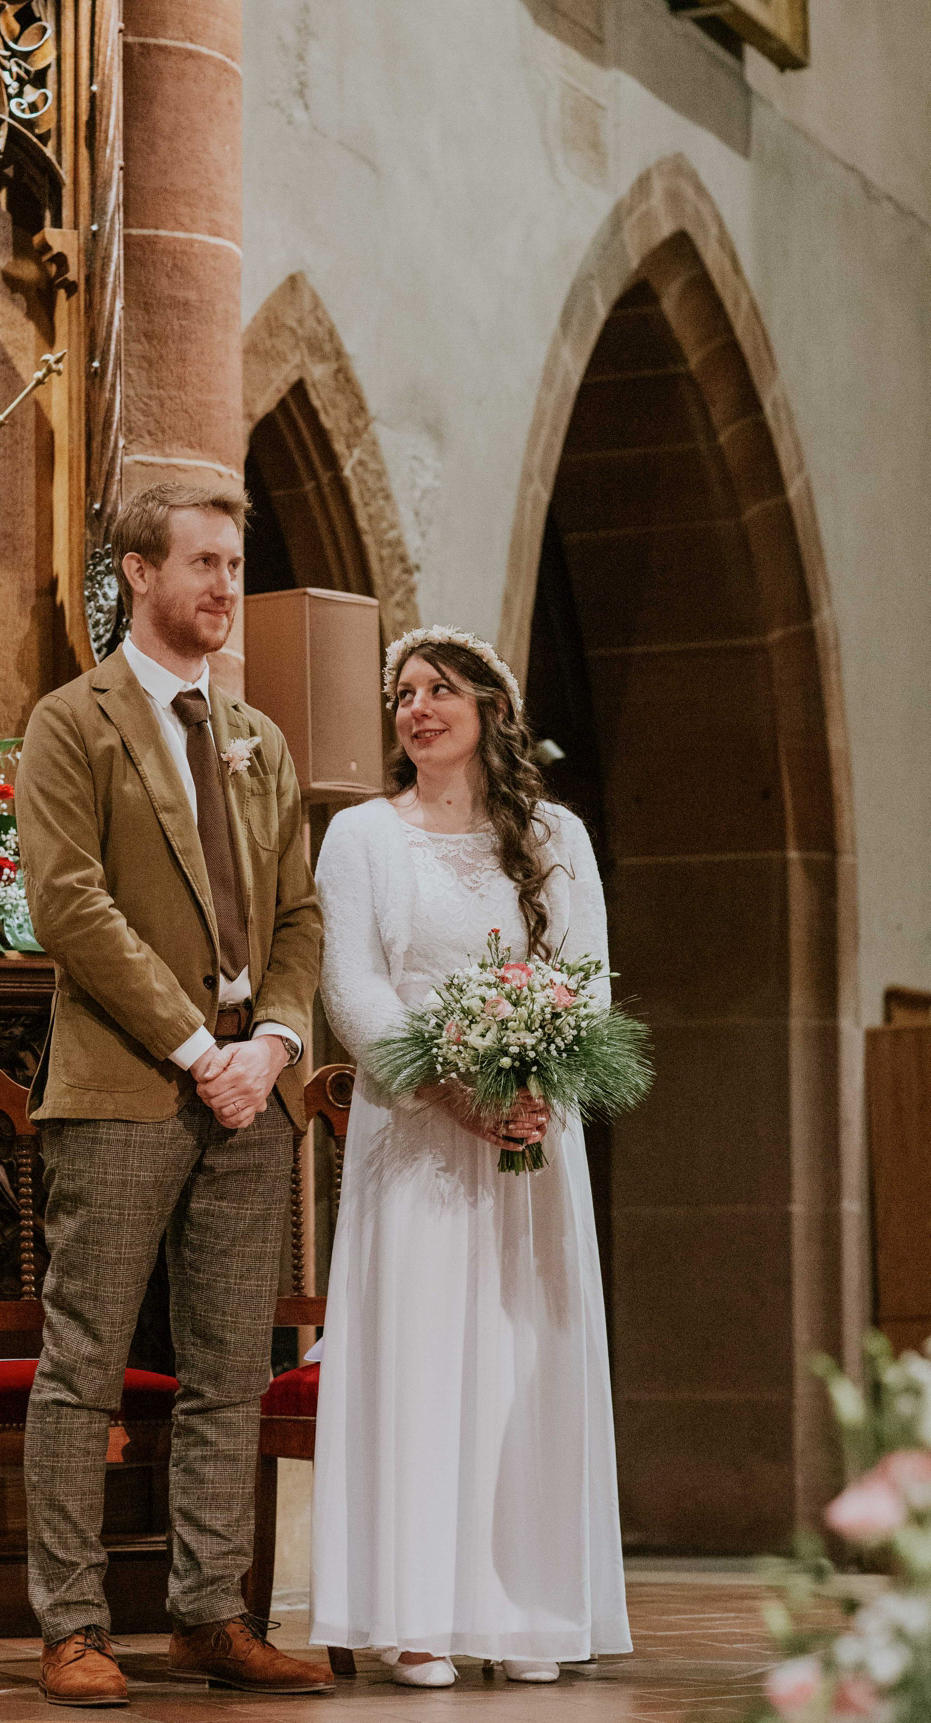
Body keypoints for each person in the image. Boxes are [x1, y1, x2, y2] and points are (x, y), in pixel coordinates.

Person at [16, 482, 332, 1706]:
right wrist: (199, 1045)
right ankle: (74, 1624)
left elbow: (298, 913)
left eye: (234, 563)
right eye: (201, 560)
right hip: (129, 1088)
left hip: (253, 1095)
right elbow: (70, 905)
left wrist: (276, 1041)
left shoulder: (256, 737)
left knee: (227, 1367)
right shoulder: (71, 721)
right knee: (84, 1359)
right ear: (138, 571)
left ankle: (210, 1615)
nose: (222, 584)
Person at [310, 624, 631, 1687]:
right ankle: (419, 1616)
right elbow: (351, 992)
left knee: (519, 1363)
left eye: (439, 688)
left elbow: (584, 982)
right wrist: (454, 1090)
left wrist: (537, 1083)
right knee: (422, 1362)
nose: (415, 707)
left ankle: (525, 1609)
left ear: (492, 707)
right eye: (403, 692)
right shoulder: (361, 836)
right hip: (416, 1145)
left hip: (532, 1145)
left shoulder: (557, 838)